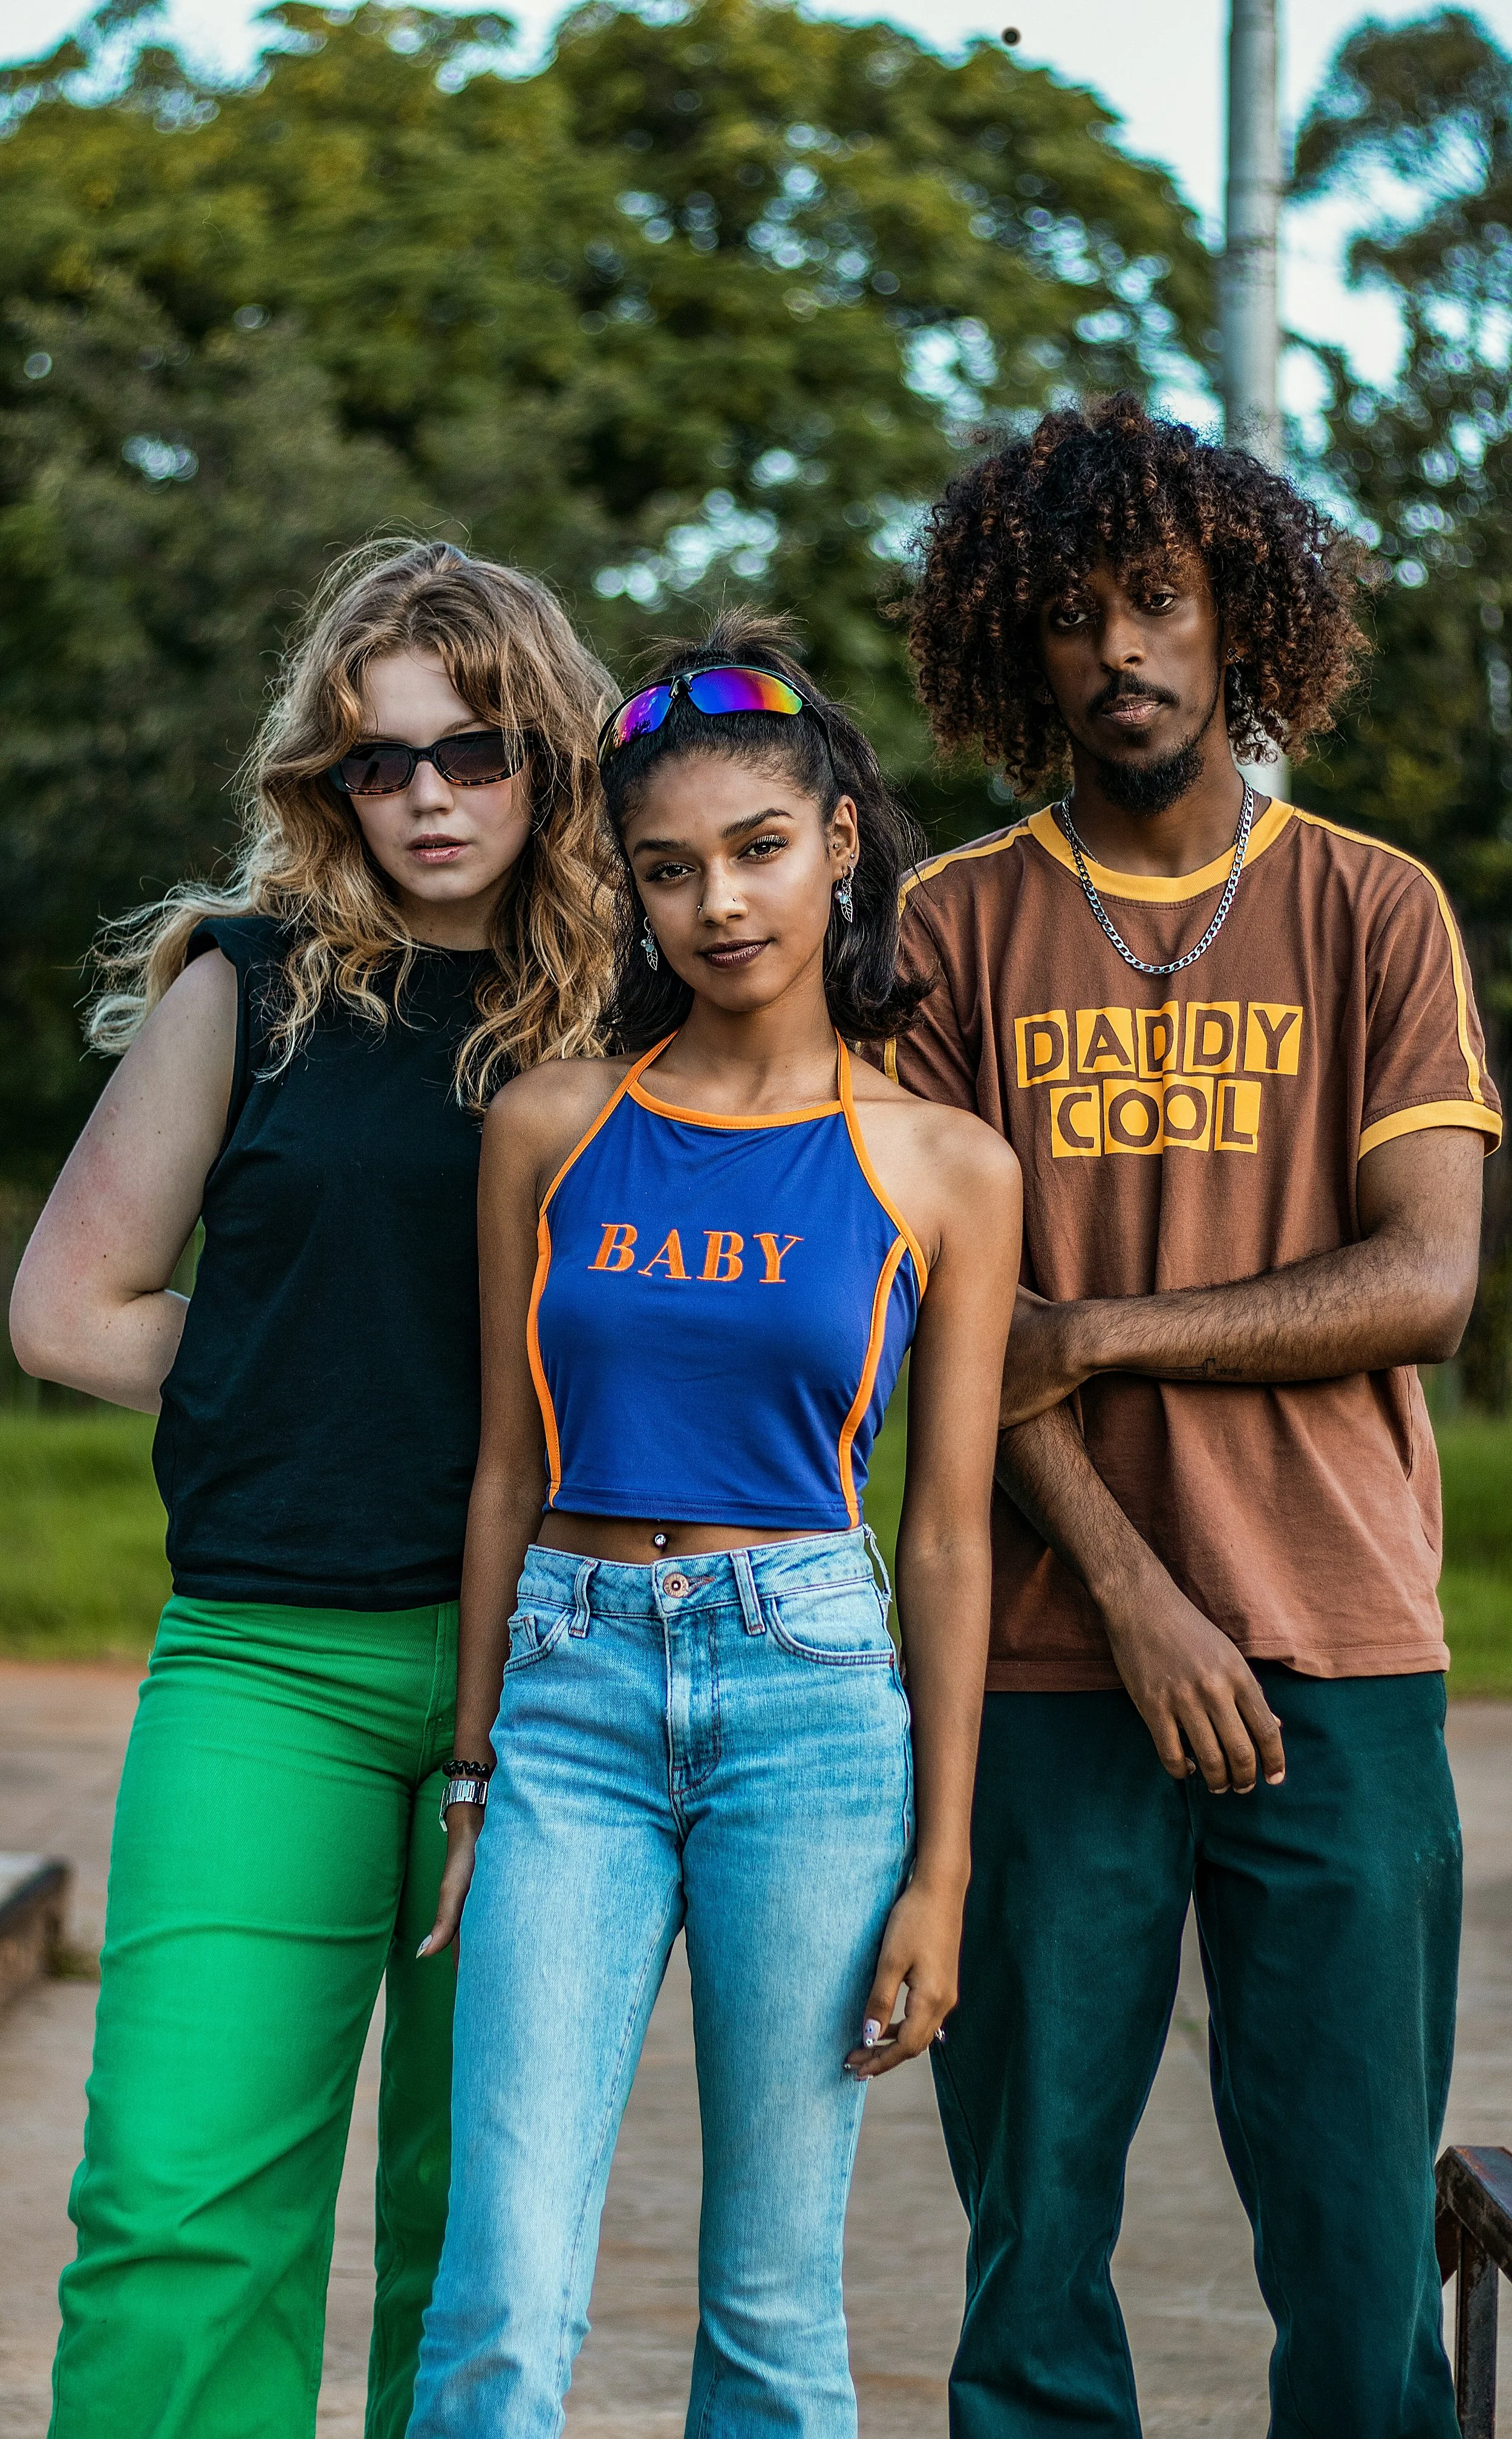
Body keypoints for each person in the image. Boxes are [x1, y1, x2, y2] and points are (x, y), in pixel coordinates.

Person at [886, 394, 1501, 2438]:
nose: (1122, 651)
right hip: (1055, 1665)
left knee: (1349, 2250)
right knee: (1032, 2242)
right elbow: (956, 1333)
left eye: (1160, 600)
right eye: (1072, 617)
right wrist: (1139, 1600)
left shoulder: (1370, 906)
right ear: (1017, 647)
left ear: (1241, 619)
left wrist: (1108, 1332)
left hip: (1342, 1656)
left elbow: (1421, 1282)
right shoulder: (951, 929)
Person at [8, 539, 617, 2439]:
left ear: (557, 755)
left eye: (476, 749)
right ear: (327, 782)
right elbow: (67, 1309)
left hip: (557, 1676)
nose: (429, 795)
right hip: (266, 1665)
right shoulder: (245, 989)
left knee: (481, 2233)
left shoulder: (654, 1011)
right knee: (180, 2210)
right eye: (381, 760)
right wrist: (288, 1355)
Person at [403, 613, 1022, 2439]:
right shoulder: (549, 1123)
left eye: (758, 850)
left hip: (814, 1712)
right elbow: (505, 1471)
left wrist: (943, 1870)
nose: (720, 905)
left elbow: (947, 1538)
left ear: (842, 839)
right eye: (668, 871)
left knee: (770, 2300)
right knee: (504, 2282)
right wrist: (469, 1766)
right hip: (569, 1704)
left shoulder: (942, 1167)